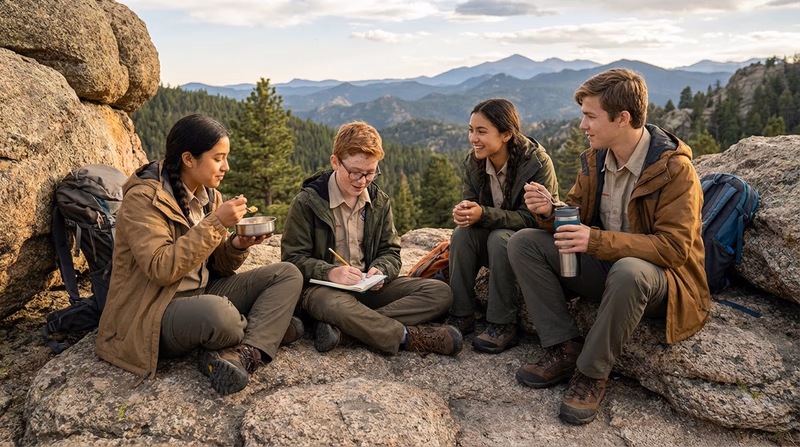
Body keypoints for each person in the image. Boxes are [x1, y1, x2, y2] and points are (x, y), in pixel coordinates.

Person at [508, 68, 710, 424]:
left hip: (661, 284)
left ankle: (591, 373)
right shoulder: (595, 158)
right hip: (608, 269)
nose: (583, 125)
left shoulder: (675, 170)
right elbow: (575, 213)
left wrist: (595, 239)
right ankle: (564, 347)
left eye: (590, 116)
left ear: (623, 118)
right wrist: (548, 211)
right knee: (524, 242)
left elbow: (675, 248)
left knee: (629, 270)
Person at [96, 114, 304, 397]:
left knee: (287, 274)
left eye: (226, 158)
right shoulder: (144, 199)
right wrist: (217, 223)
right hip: (156, 308)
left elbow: (217, 265)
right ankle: (267, 331)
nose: (226, 167)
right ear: (189, 159)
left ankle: (243, 352)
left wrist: (238, 245)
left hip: (204, 291)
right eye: (218, 158)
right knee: (221, 316)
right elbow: (161, 269)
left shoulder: (209, 196)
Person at [281, 121, 463, 356]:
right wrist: (329, 272)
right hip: (324, 292)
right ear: (335, 162)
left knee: (440, 293)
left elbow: (391, 251)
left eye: (370, 173)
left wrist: (381, 268)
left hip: (368, 290)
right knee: (332, 305)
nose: (363, 181)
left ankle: (349, 330)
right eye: (355, 172)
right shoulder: (307, 203)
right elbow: (292, 259)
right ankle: (408, 337)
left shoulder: (379, 201)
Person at [445, 98, 559, 354]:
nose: (473, 138)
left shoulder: (536, 163)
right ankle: (461, 313)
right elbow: (473, 206)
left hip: (527, 249)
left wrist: (483, 214)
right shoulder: (474, 162)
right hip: (495, 246)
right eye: (471, 130)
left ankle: (502, 323)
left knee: (500, 238)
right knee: (463, 234)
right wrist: (465, 213)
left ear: (506, 134)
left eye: (481, 131)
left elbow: (536, 219)